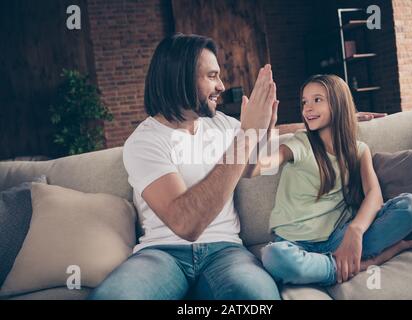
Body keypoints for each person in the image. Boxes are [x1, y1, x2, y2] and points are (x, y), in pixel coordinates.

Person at [89, 33, 281, 300]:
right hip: (162, 254)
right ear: (181, 78)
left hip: (225, 251)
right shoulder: (144, 141)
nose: (222, 85)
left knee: (257, 297)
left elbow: (252, 166)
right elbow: (186, 223)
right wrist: (247, 135)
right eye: (212, 76)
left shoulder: (224, 125)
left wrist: (302, 125)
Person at [244, 74, 412, 286]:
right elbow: (252, 170)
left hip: (339, 240)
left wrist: (355, 231)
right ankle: (363, 263)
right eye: (304, 102)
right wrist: (259, 130)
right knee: (274, 257)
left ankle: (335, 262)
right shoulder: (300, 143)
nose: (307, 108)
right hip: (294, 244)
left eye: (317, 100)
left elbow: (374, 196)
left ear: (338, 104)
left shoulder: (359, 150)